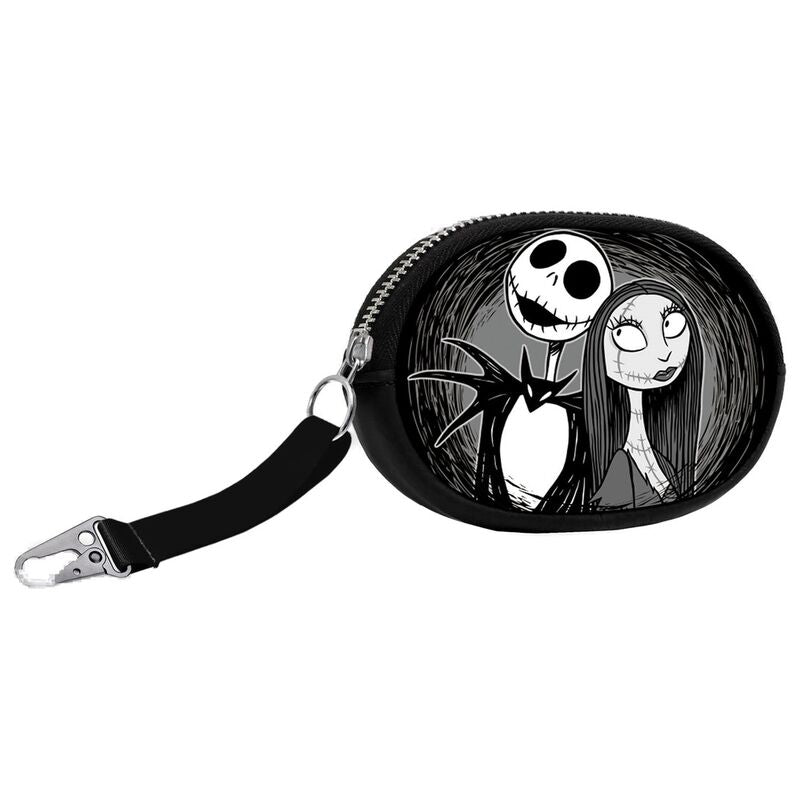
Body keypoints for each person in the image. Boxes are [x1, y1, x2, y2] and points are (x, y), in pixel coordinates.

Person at [582, 280, 703, 510]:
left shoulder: (666, 458)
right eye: (628, 336)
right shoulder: (613, 466)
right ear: (598, 349)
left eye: (672, 326)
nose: (664, 352)